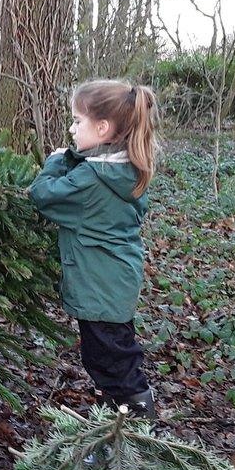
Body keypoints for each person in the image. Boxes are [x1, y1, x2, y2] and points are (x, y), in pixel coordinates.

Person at [29, 79, 159, 418]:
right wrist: (74, 157)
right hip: (113, 285)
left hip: (102, 291)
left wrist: (56, 162)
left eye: (77, 121)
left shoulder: (90, 181)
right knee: (109, 360)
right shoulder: (122, 166)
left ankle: (134, 435)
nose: (72, 129)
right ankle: (114, 424)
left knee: (113, 364)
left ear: (102, 128)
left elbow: (43, 195)